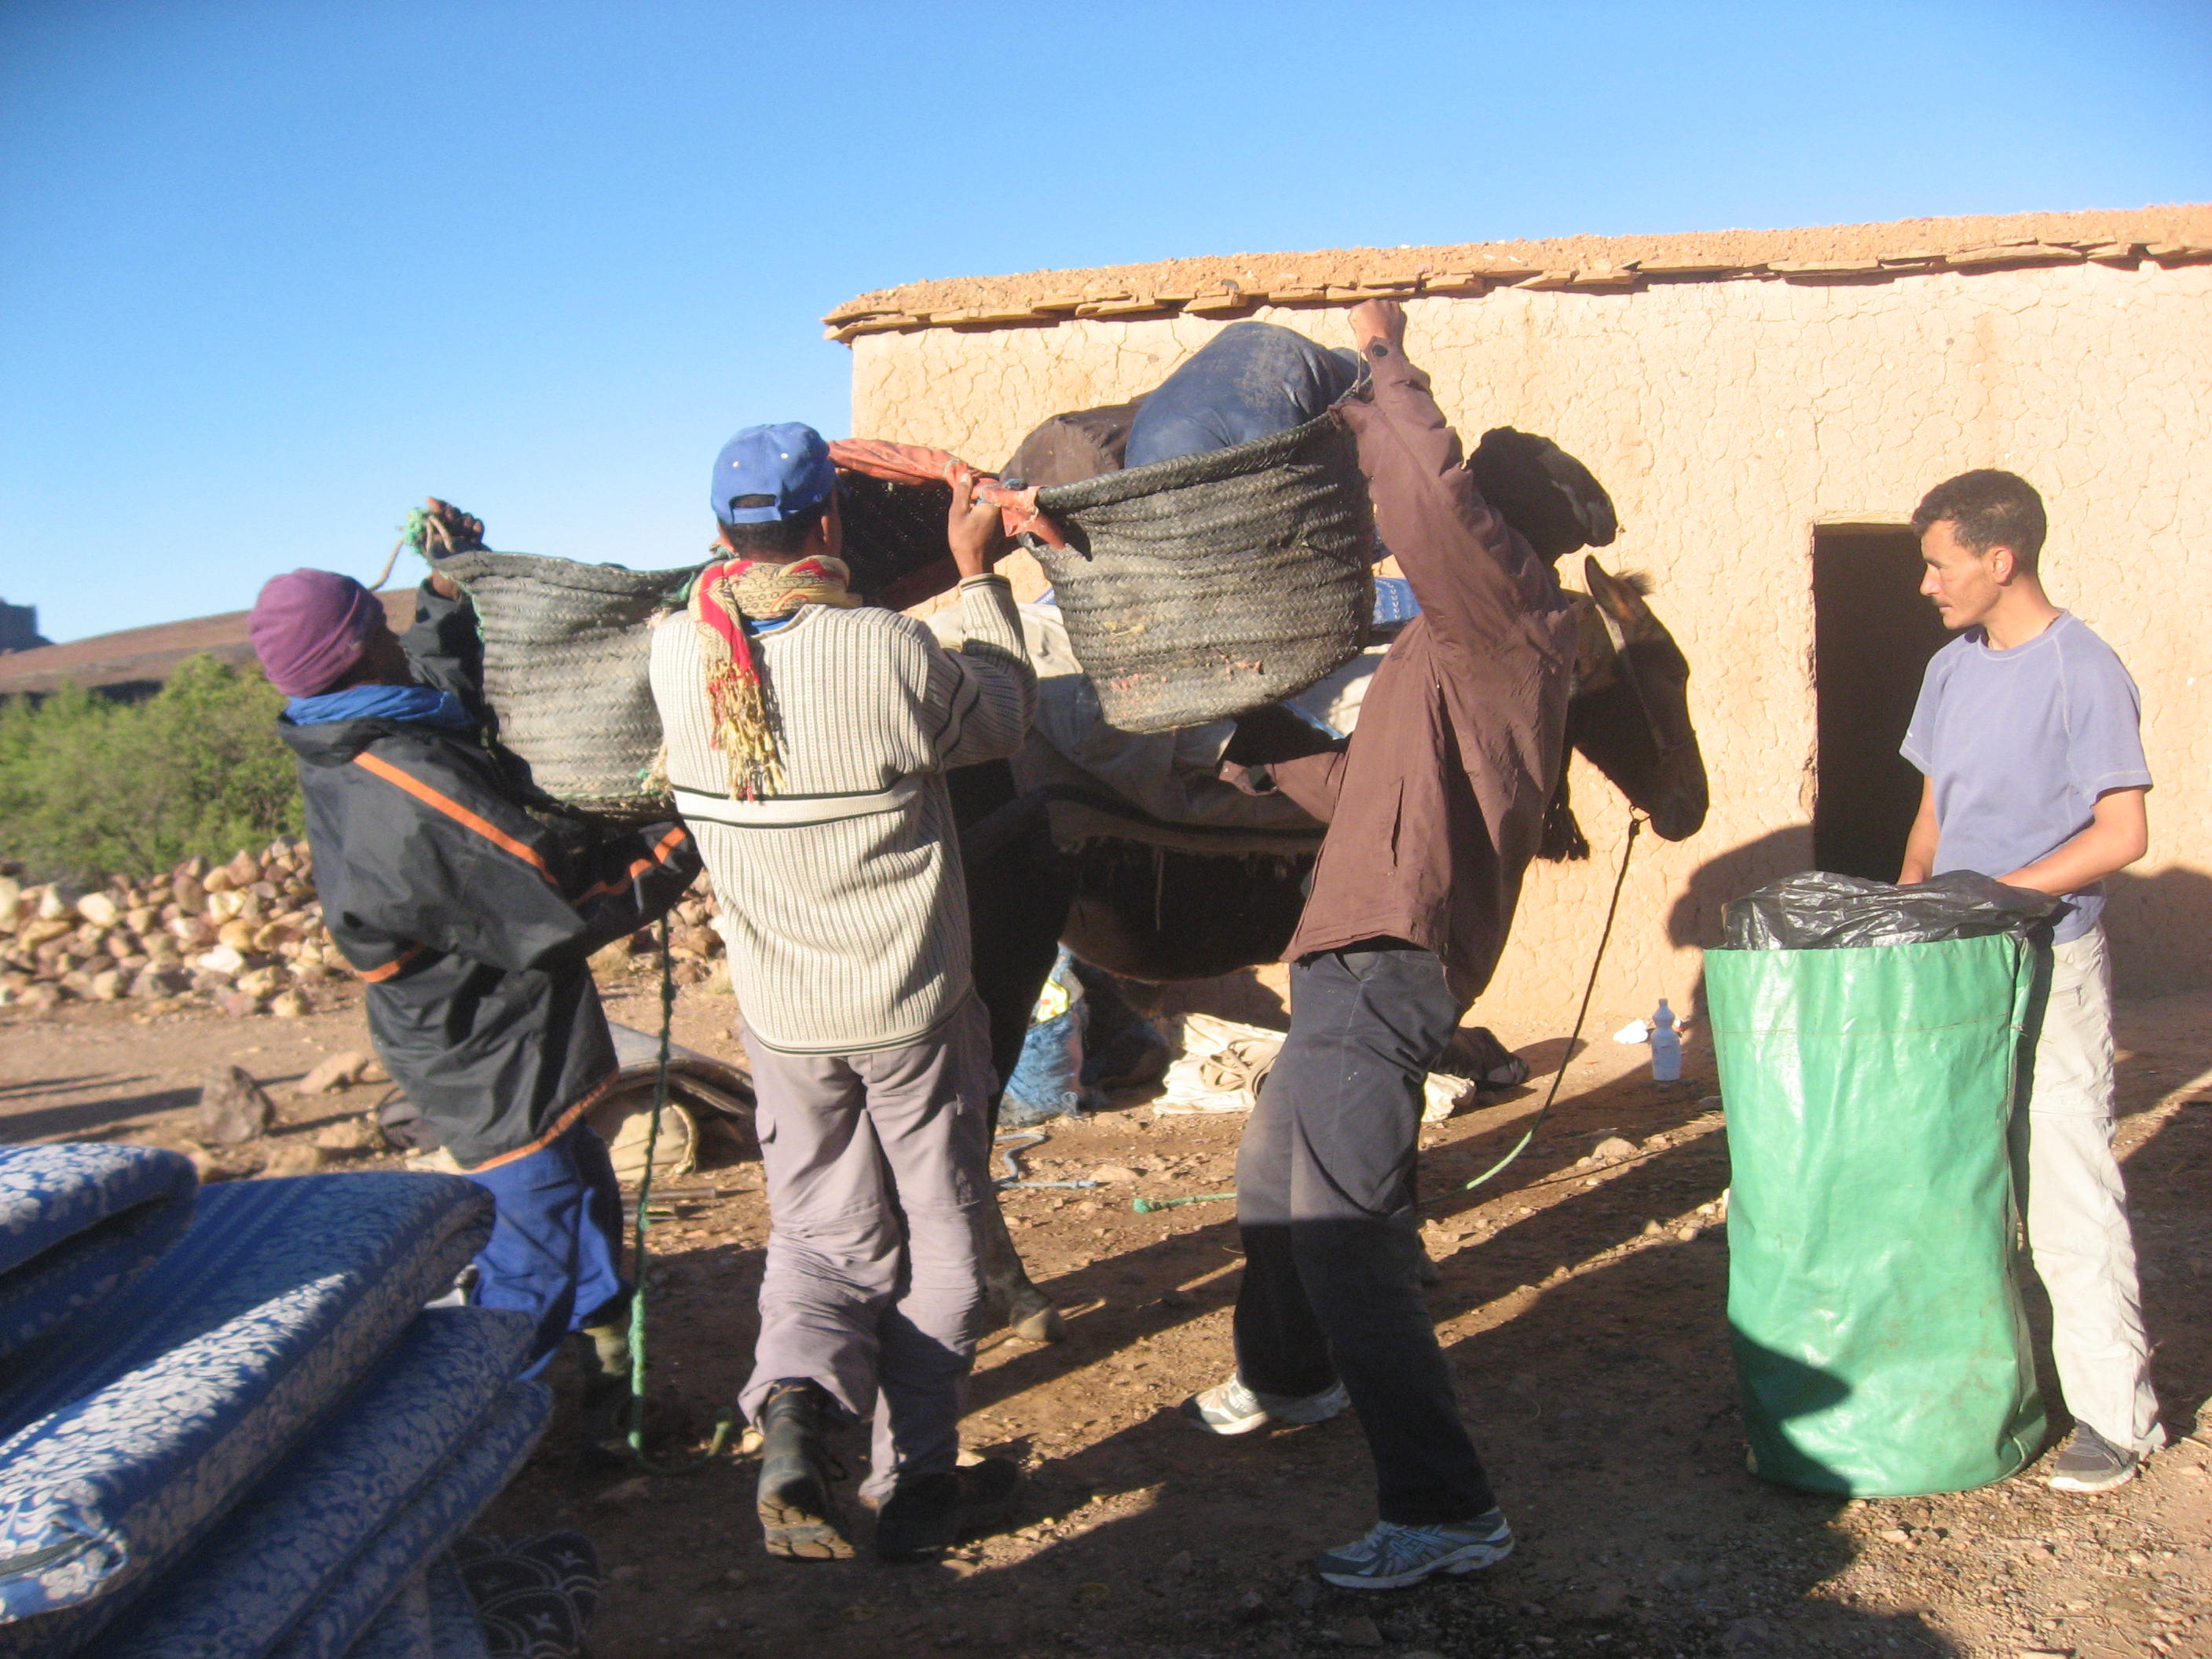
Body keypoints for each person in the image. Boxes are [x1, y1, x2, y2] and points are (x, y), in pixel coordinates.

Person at [1181, 300, 1578, 1588]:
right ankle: (1293, 1380)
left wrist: (1377, 369)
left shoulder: (1502, 616)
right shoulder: (1452, 660)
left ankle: (1446, 1508)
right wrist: (1256, 748)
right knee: (1274, 1190)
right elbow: (1370, 793)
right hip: (1352, 955)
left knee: (1351, 1234)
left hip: (1386, 961)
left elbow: (1432, 500)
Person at [647, 423, 1037, 1562]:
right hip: (911, 1009)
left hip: (785, 1021)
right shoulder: (881, 648)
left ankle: (799, 1410)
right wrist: (975, 579)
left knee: (821, 1236)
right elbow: (1005, 717)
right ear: (828, 524)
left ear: (721, 534)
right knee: (943, 1234)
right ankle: (918, 1479)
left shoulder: (678, 652)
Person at [247, 507, 701, 1443]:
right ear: (357, 651)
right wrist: (687, 828)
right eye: (379, 627)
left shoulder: (358, 730)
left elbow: (434, 682)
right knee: (531, 1254)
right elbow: (560, 904)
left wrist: (447, 596)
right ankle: (483, 1449)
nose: (391, 637)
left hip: (502, 1029)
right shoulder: (401, 796)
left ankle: (609, 1405)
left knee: (583, 1203)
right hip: (487, 1054)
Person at [1898, 468, 2161, 1492]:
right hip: (1955, 959)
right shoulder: (1950, 670)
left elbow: (2125, 832)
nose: (1926, 583)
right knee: (1954, 1181)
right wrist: (1908, 912)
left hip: (2050, 964)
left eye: (1937, 562)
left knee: (2065, 1186)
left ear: (1998, 561)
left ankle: (2115, 1419)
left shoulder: (2083, 671)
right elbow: (1932, 813)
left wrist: (1999, 894)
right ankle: (1974, 1395)